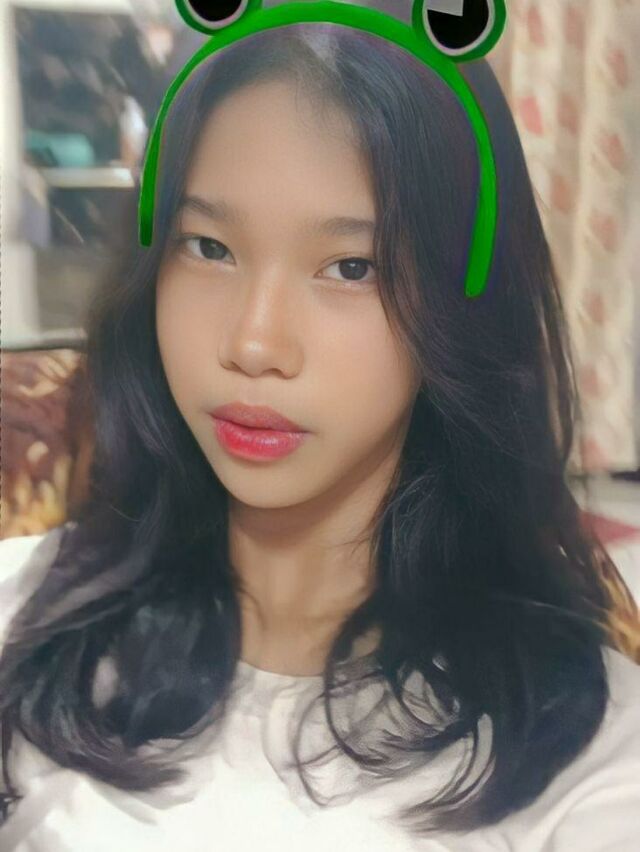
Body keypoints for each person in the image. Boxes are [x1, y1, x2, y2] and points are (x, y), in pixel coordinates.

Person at [1, 21, 639, 852]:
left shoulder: (582, 758)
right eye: (210, 247)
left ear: (462, 302)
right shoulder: (29, 611)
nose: (253, 342)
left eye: (351, 267)